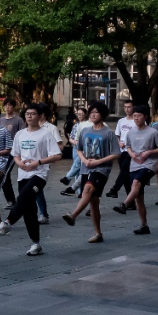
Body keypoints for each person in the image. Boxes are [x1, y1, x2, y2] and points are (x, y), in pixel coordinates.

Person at [0, 104, 62, 256]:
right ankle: (36, 244)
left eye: (33, 113)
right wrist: (19, 163)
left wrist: (39, 162)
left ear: (40, 116)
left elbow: (57, 155)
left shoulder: (46, 134)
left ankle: (7, 223)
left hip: (39, 175)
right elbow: (15, 154)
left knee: (24, 197)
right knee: (29, 210)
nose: (29, 116)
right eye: (27, 114)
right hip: (23, 174)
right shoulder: (20, 134)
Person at [61, 102, 119, 243]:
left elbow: (116, 153)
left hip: (101, 169)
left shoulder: (108, 133)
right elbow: (79, 148)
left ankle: (73, 215)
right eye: (91, 112)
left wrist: (98, 162)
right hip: (86, 167)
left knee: (87, 189)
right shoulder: (86, 131)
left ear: (103, 115)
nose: (93, 114)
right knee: (93, 202)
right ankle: (98, 233)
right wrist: (84, 161)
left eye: (96, 112)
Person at [111, 104, 158, 235]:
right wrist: (131, 154)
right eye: (134, 116)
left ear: (145, 117)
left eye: (138, 116)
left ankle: (124, 204)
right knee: (139, 199)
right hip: (134, 164)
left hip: (149, 164)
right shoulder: (131, 132)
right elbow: (128, 146)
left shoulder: (153, 132)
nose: (135, 118)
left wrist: (149, 152)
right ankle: (144, 225)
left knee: (136, 183)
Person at [106, 100, 136, 199]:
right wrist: (119, 142)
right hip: (121, 150)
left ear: (133, 107)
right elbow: (117, 135)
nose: (127, 109)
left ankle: (114, 189)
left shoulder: (137, 120)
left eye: (129, 107)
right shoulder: (121, 121)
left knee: (124, 170)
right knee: (125, 175)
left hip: (132, 151)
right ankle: (130, 201)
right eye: (125, 107)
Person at [0, 98, 24, 208]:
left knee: (6, 174)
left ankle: (16, 200)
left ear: (14, 107)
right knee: (4, 176)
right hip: (1, 151)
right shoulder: (1, 120)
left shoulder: (18, 120)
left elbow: (22, 134)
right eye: (6, 105)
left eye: (10, 105)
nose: (7, 107)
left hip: (13, 152)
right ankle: (11, 201)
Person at [61, 107, 92, 195]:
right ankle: (79, 191)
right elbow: (71, 137)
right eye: (78, 114)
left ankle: (68, 177)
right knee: (77, 167)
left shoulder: (89, 125)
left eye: (82, 114)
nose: (80, 116)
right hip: (75, 147)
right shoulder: (76, 125)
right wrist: (73, 141)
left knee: (79, 164)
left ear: (86, 114)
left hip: (85, 148)